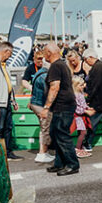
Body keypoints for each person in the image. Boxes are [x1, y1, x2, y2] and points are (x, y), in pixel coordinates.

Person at [41, 43, 79, 176]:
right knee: (56, 135)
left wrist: (46, 107)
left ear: (49, 53)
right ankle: (60, 163)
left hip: (63, 106)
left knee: (62, 135)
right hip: (63, 105)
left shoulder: (56, 66)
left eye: (44, 52)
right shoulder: (62, 64)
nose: (43, 55)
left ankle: (72, 164)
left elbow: (54, 87)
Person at [28, 58, 55, 163]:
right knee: (45, 129)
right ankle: (42, 153)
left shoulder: (39, 72)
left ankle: (43, 152)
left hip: (35, 103)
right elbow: (48, 93)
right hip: (41, 105)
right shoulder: (45, 76)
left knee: (43, 128)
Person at [72, 76, 93, 158]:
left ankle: (79, 147)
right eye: (81, 85)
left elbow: (82, 105)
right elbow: (76, 108)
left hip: (81, 116)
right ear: (75, 86)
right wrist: (85, 110)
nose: (83, 86)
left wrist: (87, 108)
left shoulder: (80, 93)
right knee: (83, 132)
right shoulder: (76, 95)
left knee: (82, 132)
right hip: (78, 117)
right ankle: (78, 148)